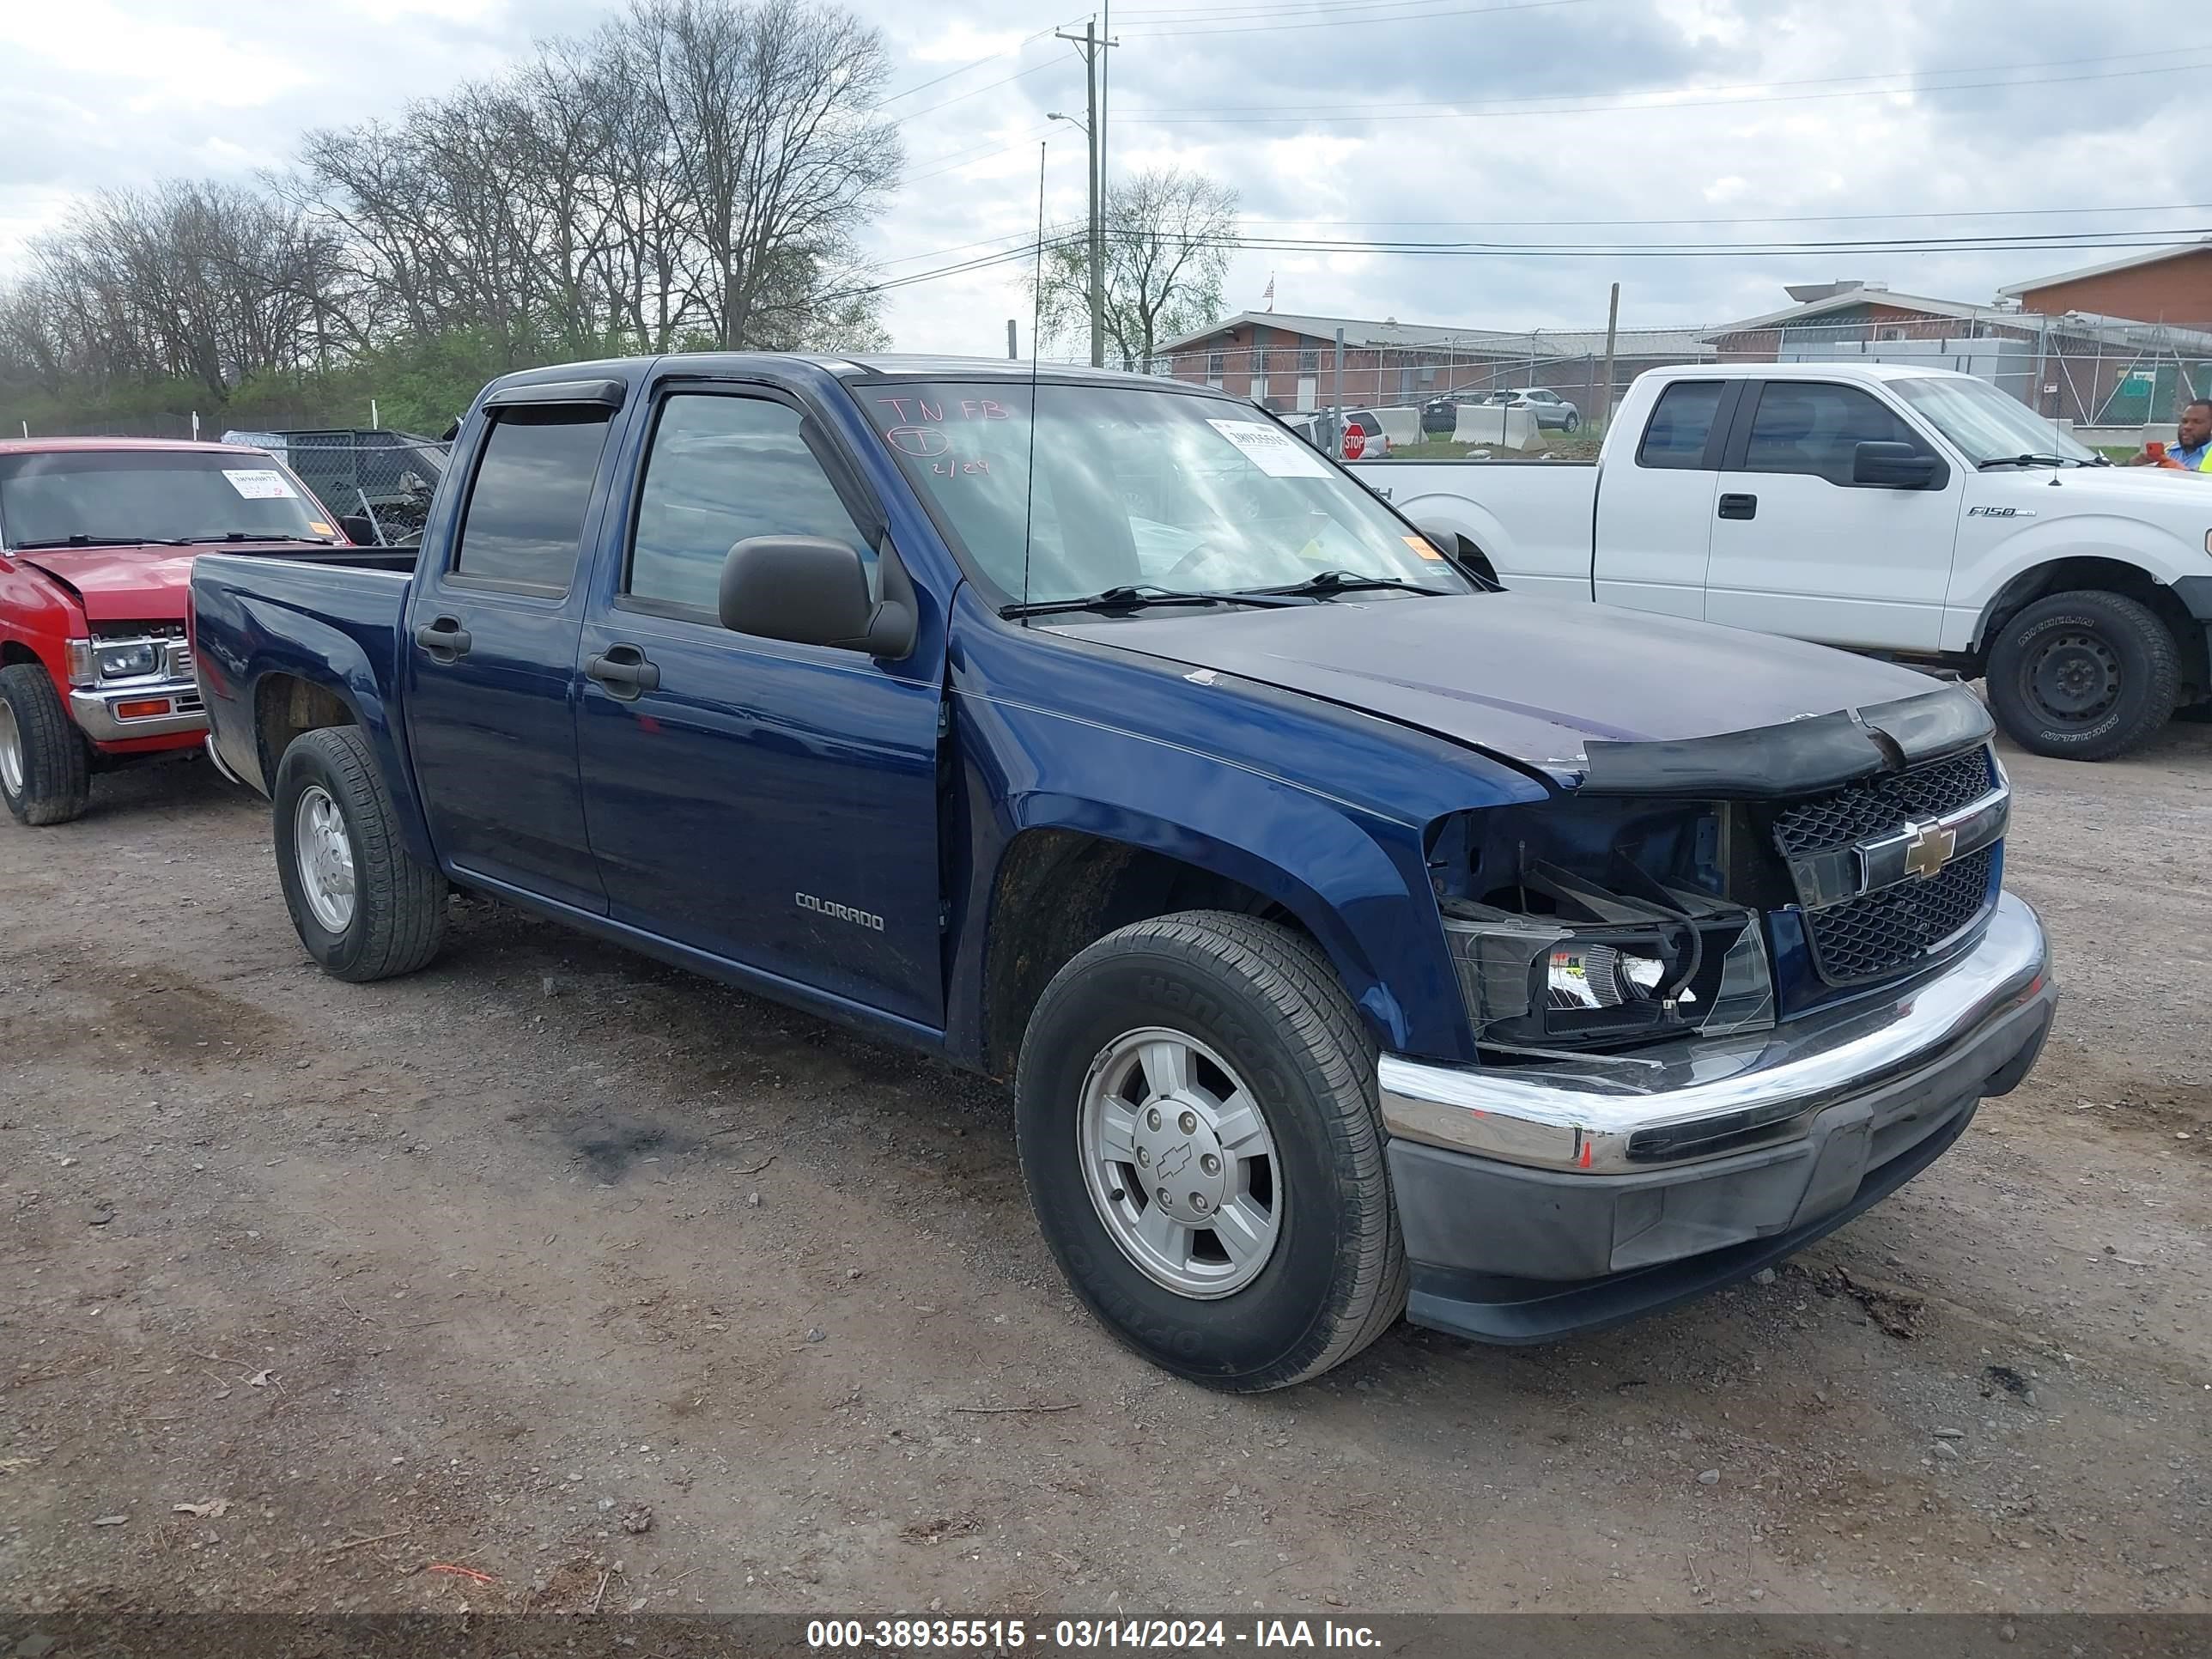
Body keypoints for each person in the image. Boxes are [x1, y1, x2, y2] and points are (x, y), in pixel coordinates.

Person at [2127, 398, 2212, 470]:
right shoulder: (2168, 449)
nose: (2187, 427)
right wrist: (2132, 465)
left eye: (2197, 422)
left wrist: (2185, 473)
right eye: (2184, 421)